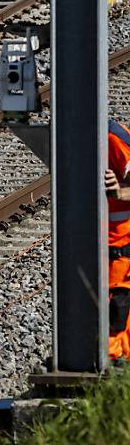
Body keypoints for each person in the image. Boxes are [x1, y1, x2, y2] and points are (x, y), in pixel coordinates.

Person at [105, 120, 130, 359]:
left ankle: (112, 368)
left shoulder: (115, 138)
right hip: (100, 243)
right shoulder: (68, 135)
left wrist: (119, 191)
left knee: (117, 309)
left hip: (121, 245)